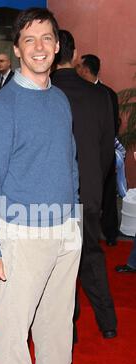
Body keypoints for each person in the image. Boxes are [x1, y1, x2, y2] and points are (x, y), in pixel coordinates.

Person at [0, 8, 94, 364]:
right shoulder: (1, 109)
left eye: (47, 38)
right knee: (12, 324)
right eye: (30, 40)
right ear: (17, 49)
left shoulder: (59, 99)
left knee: (57, 317)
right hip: (20, 234)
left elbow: (68, 161)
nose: (40, 47)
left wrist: (74, 212)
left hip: (64, 228)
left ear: (58, 45)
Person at [51, 30, 117, 339]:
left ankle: (69, 330)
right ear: (75, 55)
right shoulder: (100, 95)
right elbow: (107, 152)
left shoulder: (45, 95)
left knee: (58, 267)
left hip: (52, 196)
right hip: (90, 191)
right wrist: (93, 183)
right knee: (91, 255)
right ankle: (108, 325)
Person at [77, 54, 120, 247]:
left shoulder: (109, 94)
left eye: (79, 67)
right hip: (82, 154)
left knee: (109, 193)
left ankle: (110, 232)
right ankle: (81, 234)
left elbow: (114, 124)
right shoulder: (77, 93)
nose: (77, 70)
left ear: (85, 69)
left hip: (104, 151)